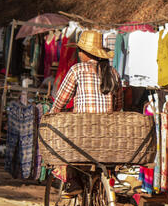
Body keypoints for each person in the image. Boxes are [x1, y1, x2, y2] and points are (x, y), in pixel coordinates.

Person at [49, 30, 123, 195]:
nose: (79, 53)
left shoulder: (77, 70)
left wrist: (52, 115)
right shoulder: (114, 73)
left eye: (80, 50)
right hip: (107, 134)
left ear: (86, 53)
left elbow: (61, 100)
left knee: (63, 140)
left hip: (83, 133)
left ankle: (73, 180)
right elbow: (118, 105)